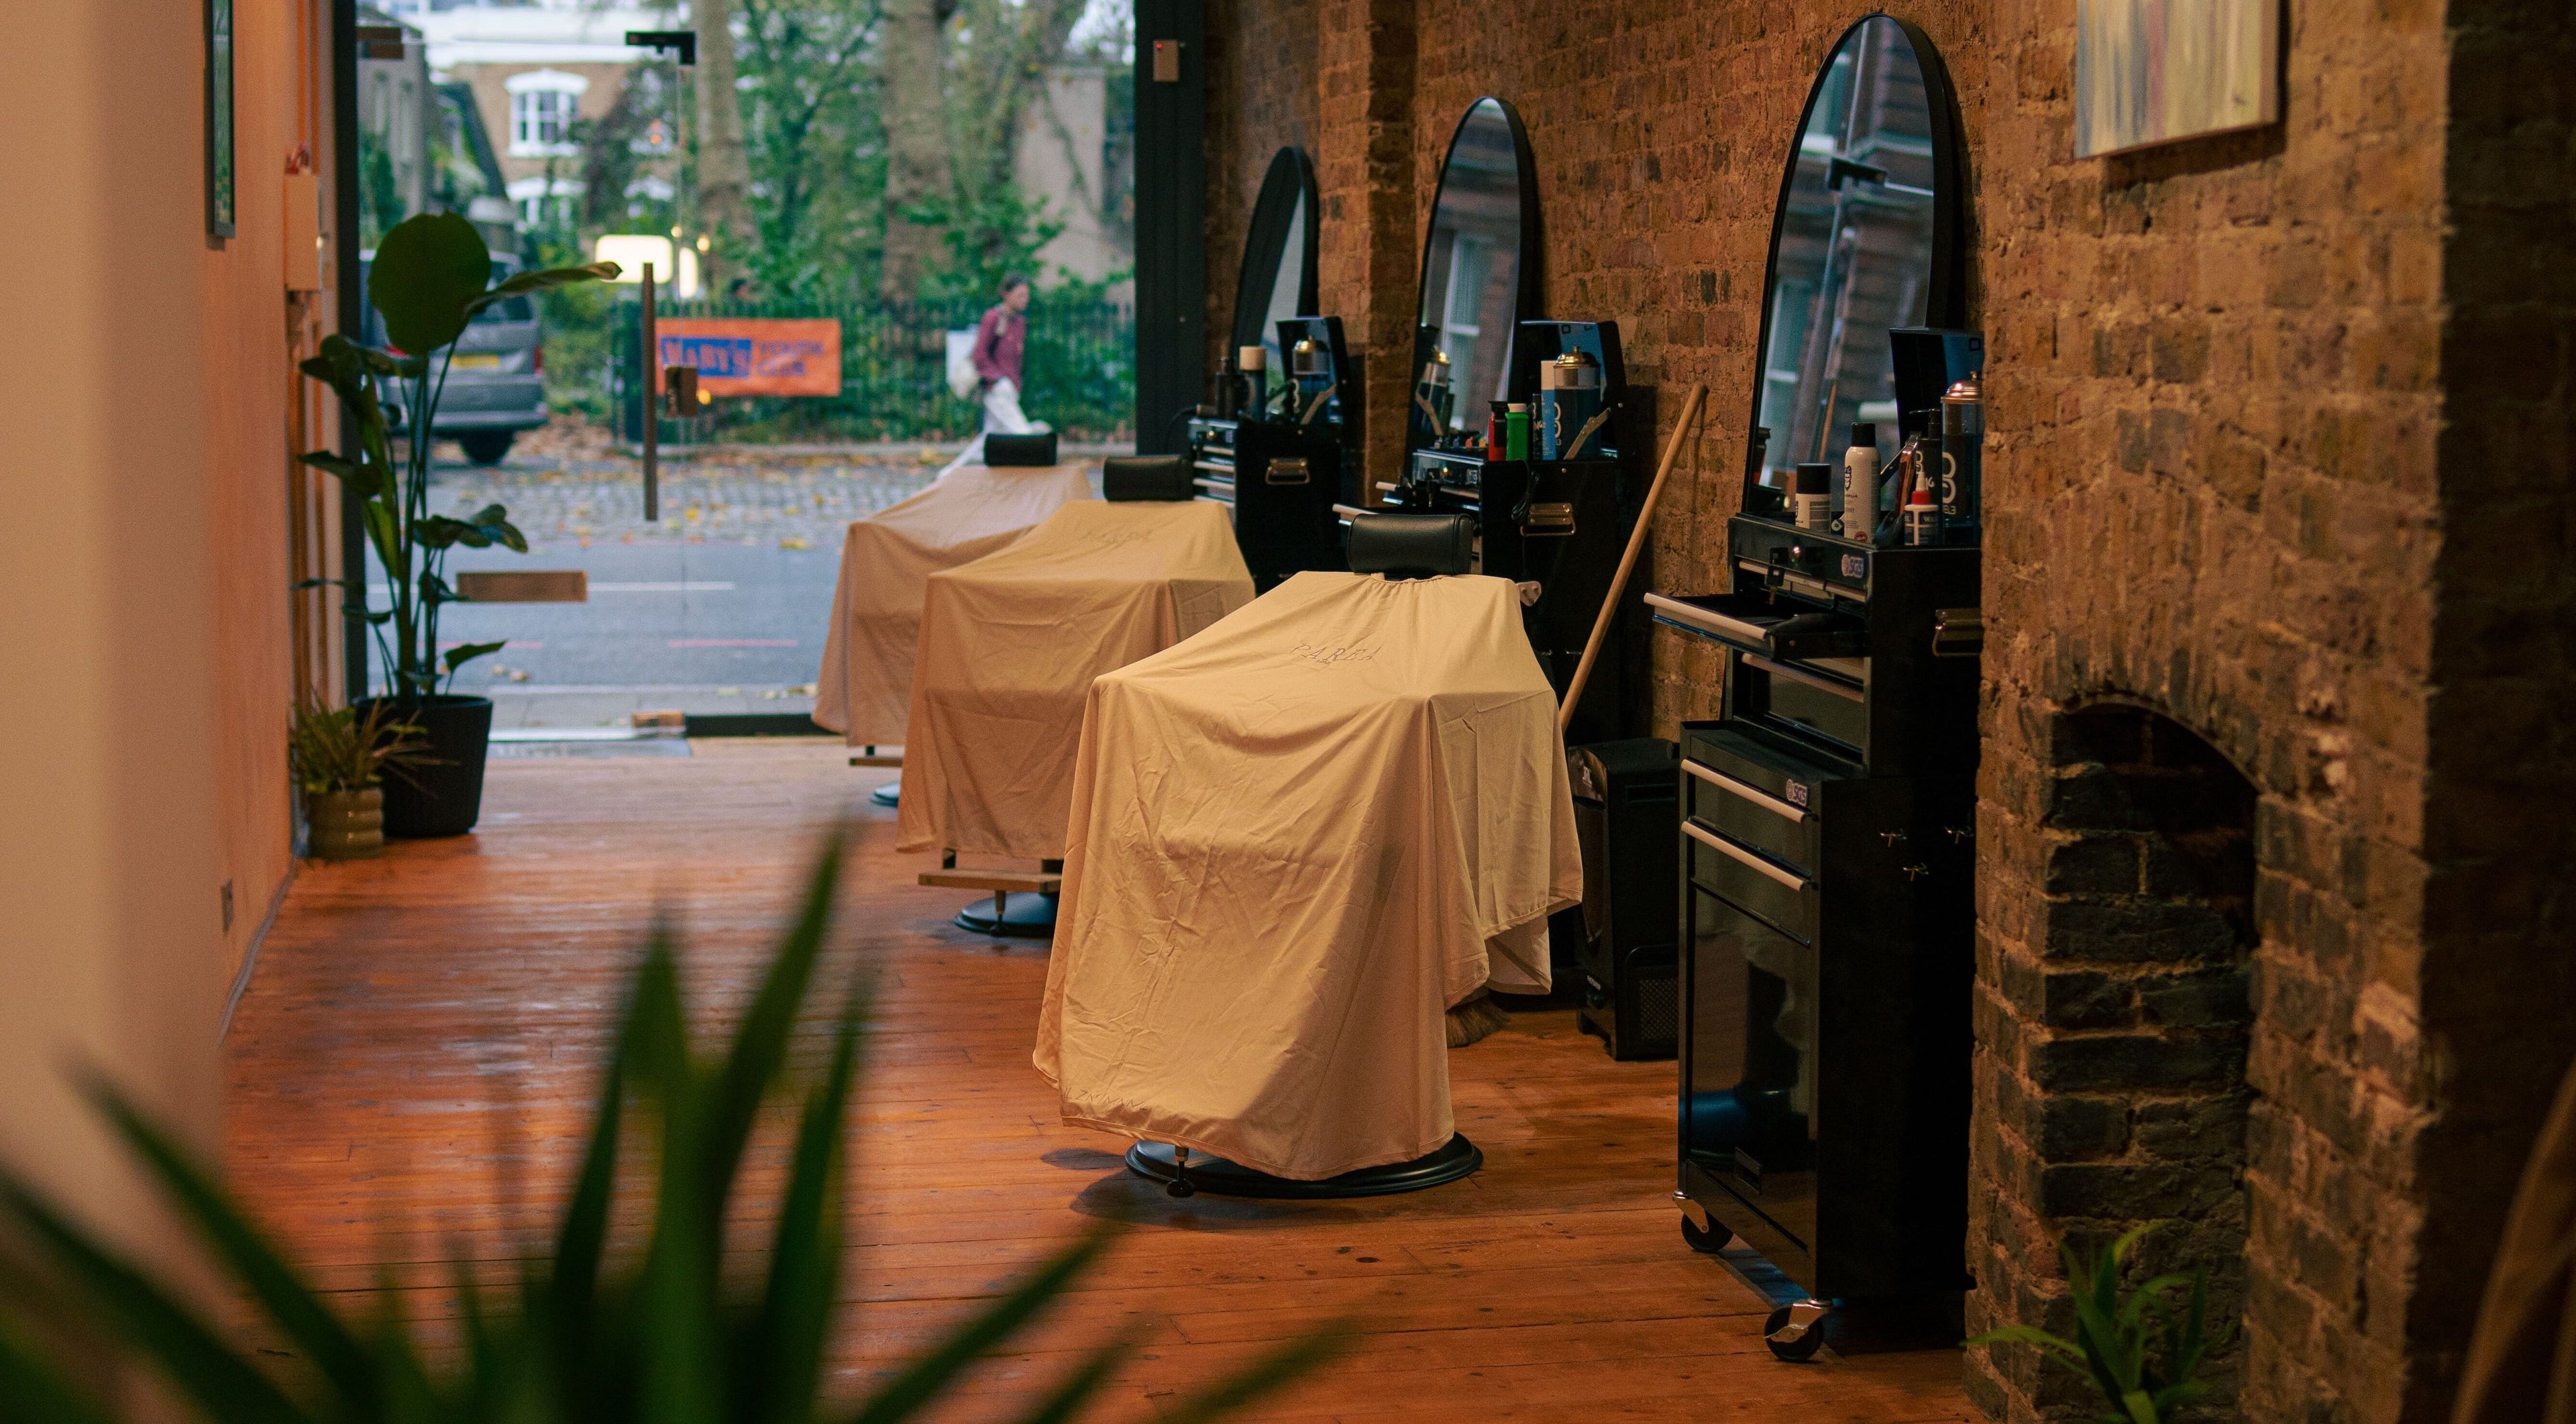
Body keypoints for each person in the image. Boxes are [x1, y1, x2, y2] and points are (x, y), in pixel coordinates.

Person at [945, 275, 1049, 472]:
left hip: (1011, 389)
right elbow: (980, 355)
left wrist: (1014, 384)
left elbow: (1016, 360)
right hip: (996, 389)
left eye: (1026, 296)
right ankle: (1035, 479)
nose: (1025, 300)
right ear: (1006, 294)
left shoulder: (1020, 322)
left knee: (988, 440)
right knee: (1023, 435)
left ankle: (949, 474)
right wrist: (998, 380)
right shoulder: (993, 317)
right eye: (1020, 295)